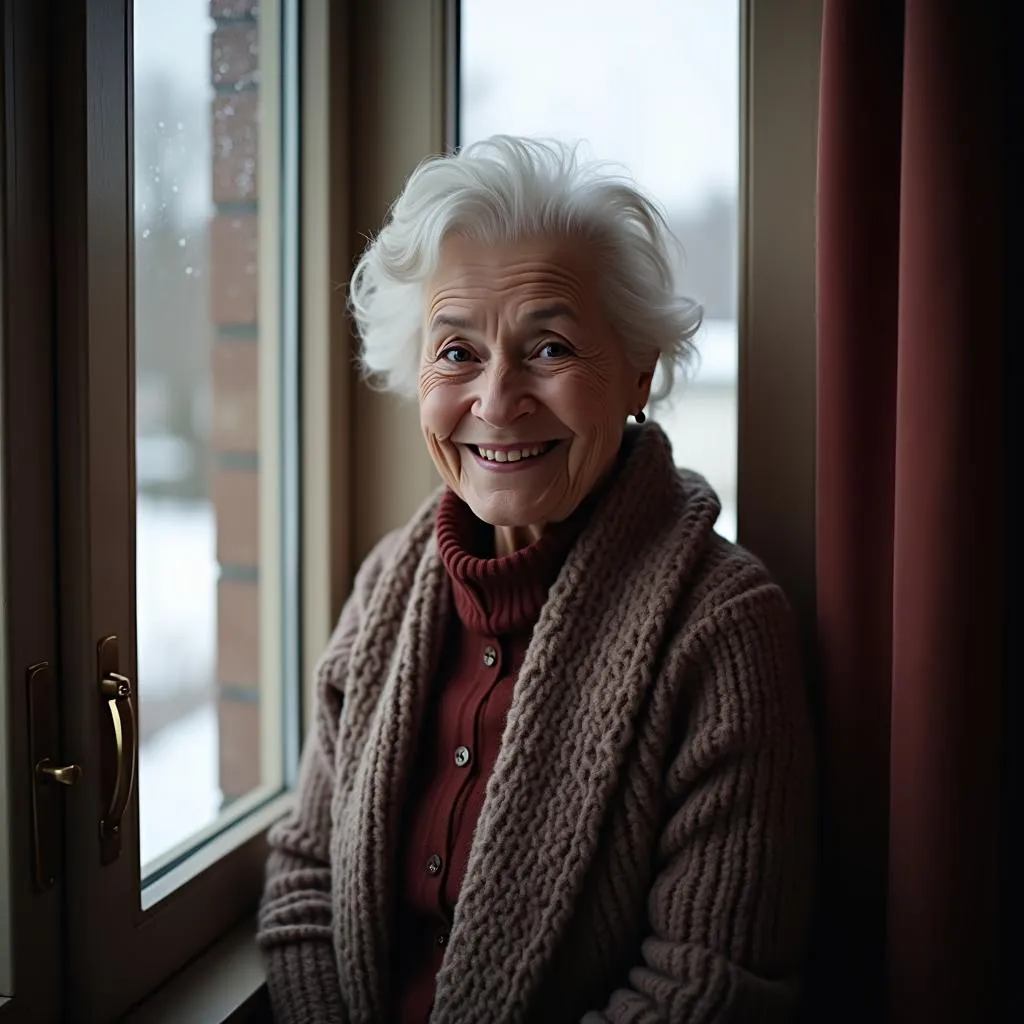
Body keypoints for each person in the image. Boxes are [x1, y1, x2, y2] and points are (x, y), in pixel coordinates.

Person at [257, 135, 817, 1024]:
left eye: (550, 348)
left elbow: (707, 988)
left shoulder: (722, 627)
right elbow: (305, 880)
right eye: (456, 353)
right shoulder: (387, 589)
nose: (496, 398)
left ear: (637, 373)